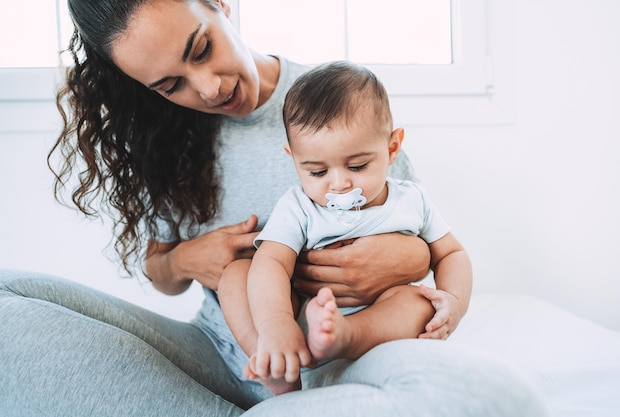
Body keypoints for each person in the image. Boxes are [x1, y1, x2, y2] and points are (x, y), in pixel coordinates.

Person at [0, 0, 551, 416]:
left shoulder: (334, 107)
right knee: (6, 302)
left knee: (493, 397)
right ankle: (271, 398)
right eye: (171, 84)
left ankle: (292, 402)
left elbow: (422, 234)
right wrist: (188, 260)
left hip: (347, 351)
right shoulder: (162, 139)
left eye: (202, 48)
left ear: (219, 3)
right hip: (224, 350)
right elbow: (159, 268)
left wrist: (404, 264)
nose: (209, 87)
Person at [218, 61, 472, 395]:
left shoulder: (411, 200)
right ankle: (271, 358)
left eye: (357, 165)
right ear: (293, 158)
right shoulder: (299, 206)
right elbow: (272, 261)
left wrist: (454, 301)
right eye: (317, 172)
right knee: (236, 275)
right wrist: (276, 321)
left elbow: (451, 252)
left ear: (392, 148)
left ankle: (346, 336)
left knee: (418, 302)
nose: (338, 184)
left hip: (378, 316)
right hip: (299, 313)